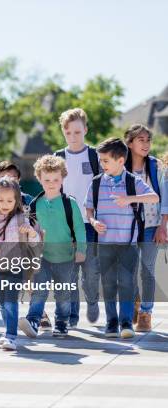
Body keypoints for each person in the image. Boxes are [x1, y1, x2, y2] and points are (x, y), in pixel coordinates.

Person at [85, 137, 159, 339]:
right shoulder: (97, 182)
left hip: (128, 243)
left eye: (105, 161)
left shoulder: (133, 182)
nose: (102, 165)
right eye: (101, 161)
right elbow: (89, 208)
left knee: (127, 283)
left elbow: (154, 197)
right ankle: (111, 323)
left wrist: (130, 199)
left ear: (120, 160)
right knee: (108, 283)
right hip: (105, 244)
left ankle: (126, 323)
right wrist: (92, 222)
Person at [18, 155, 86, 339]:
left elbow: (79, 228)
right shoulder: (35, 204)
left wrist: (81, 250)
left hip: (66, 257)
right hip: (43, 256)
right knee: (39, 290)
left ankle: (62, 322)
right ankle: (33, 320)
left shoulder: (69, 203)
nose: (51, 183)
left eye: (56, 179)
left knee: (63, 293)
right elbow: (31, 231)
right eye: (46, 179)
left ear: (62, 178)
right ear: (39, 179)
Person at [0, 177, 41, 350]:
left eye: (10, 201)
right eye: (1, 200)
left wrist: (32, 233)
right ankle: (8, 334)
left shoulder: (20, 219)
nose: (5, 204)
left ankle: (11, 336)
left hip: (15, 266)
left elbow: (35, 242)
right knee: (3, 303)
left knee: (11, 301)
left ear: (17, 200)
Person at [54, 108, 102, 328]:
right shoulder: (58, 158)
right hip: (66, 225)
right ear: (64, 133)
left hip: (90, 223)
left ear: (85, 130)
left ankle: (92, 301)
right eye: (69, 133)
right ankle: (70, 315)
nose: (73, 137)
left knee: (90, 271)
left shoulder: (94, 156)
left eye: (77, 132)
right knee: (68, 273)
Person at [123, 124, 164, 331]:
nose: (146, 144)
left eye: (148, 140)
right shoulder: (121, 168)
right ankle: (134, 304)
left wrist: (163, 226)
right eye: (141, 140)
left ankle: (146, 313)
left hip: (151, 226)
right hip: (127, 228)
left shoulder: (156, 167)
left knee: (147, 271)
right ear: (130, 143)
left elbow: (165, 199)